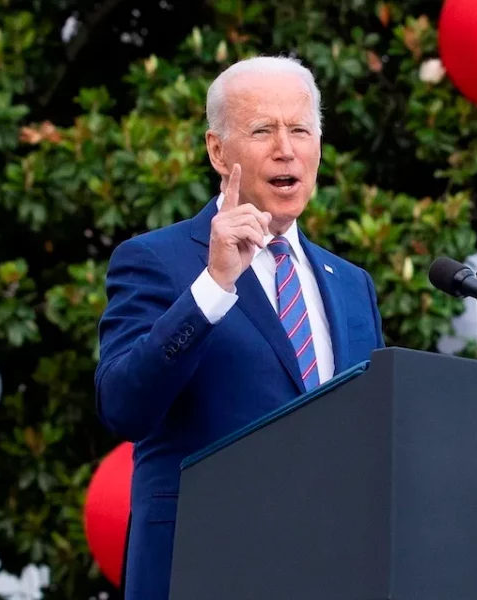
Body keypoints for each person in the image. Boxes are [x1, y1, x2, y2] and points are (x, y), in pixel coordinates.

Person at [94, 55, 386, 600]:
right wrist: (213, 286)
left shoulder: (350, 284)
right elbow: (122, 404)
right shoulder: (156, 260)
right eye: (262, 130)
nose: (285, 148)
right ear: (217, 149)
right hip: (202, 566)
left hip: (330, 570)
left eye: (300, 129)